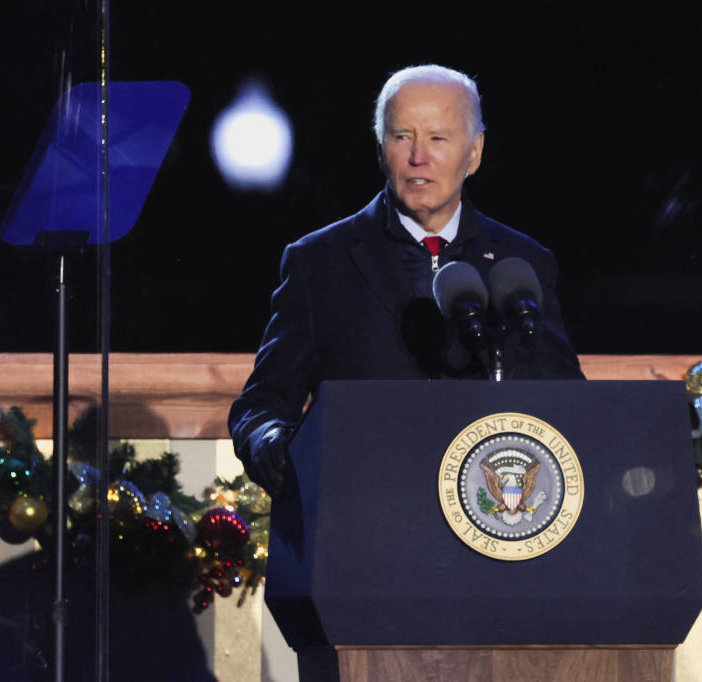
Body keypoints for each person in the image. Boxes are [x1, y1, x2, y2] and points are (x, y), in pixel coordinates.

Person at [228, 65, 584, 498]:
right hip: (365, 513)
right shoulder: (319, 262)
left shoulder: (523, 262)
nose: (419, 157)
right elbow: (261, 406)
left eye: (438, 138)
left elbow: (570, 405)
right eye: (402, 137)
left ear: (473, 153)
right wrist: (274, 445)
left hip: (492, 524)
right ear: (381, 151)